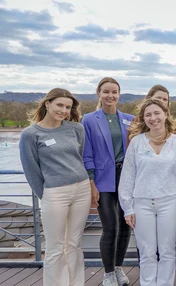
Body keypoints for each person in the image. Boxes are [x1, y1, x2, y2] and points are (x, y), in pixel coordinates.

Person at [19, 88, 91, 286]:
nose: (64, 110)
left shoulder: (77, 129)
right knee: (55, 247)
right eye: (60, 105)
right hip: (54, 193)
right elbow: (31, 170)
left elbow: (79, 158)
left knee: (74, 243)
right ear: (47, 104)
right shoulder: (30, 134)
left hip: (82, 189)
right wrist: (47, 195)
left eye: (68, 107)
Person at [118, 98, 176, 285]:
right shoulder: (136, 143)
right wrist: (128, 207)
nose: (153, 118)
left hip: (170, 202)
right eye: (148, 114)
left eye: (157, 113)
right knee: (147, 251)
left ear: (166, 114)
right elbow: (127, 177)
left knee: (167, 251)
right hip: (142, 203)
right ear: (144, 118)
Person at [82, 77, 134, 286]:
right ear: (99, 93)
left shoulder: (130, 119)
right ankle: (108, 272)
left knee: (125, 226)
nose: (110, 95)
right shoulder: (89, 120)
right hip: (103, 179)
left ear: (119, 94)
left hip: (127, 177)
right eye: (106, 91)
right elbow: (87, 153)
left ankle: (119, 267)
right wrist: (91, 181)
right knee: (110, 227)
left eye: (114, 92)